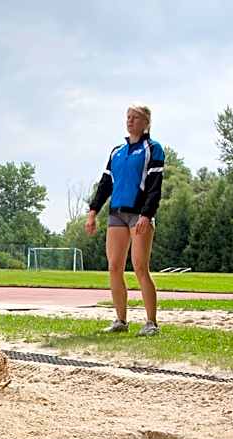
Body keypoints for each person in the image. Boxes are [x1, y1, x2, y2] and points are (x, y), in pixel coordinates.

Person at [87, 102, 165, 337]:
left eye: (135, 117)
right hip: (116, 215)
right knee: (114, 267)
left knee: (140, 267)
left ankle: (151, 323)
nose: (130, 120)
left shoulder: (153, 148)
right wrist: (93, 211)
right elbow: (105, 184)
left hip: (139, 214)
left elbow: (154, 186)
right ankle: (120, 320)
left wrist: (147, 214)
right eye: (128, 117)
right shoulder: (116, 152)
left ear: (146, 123)